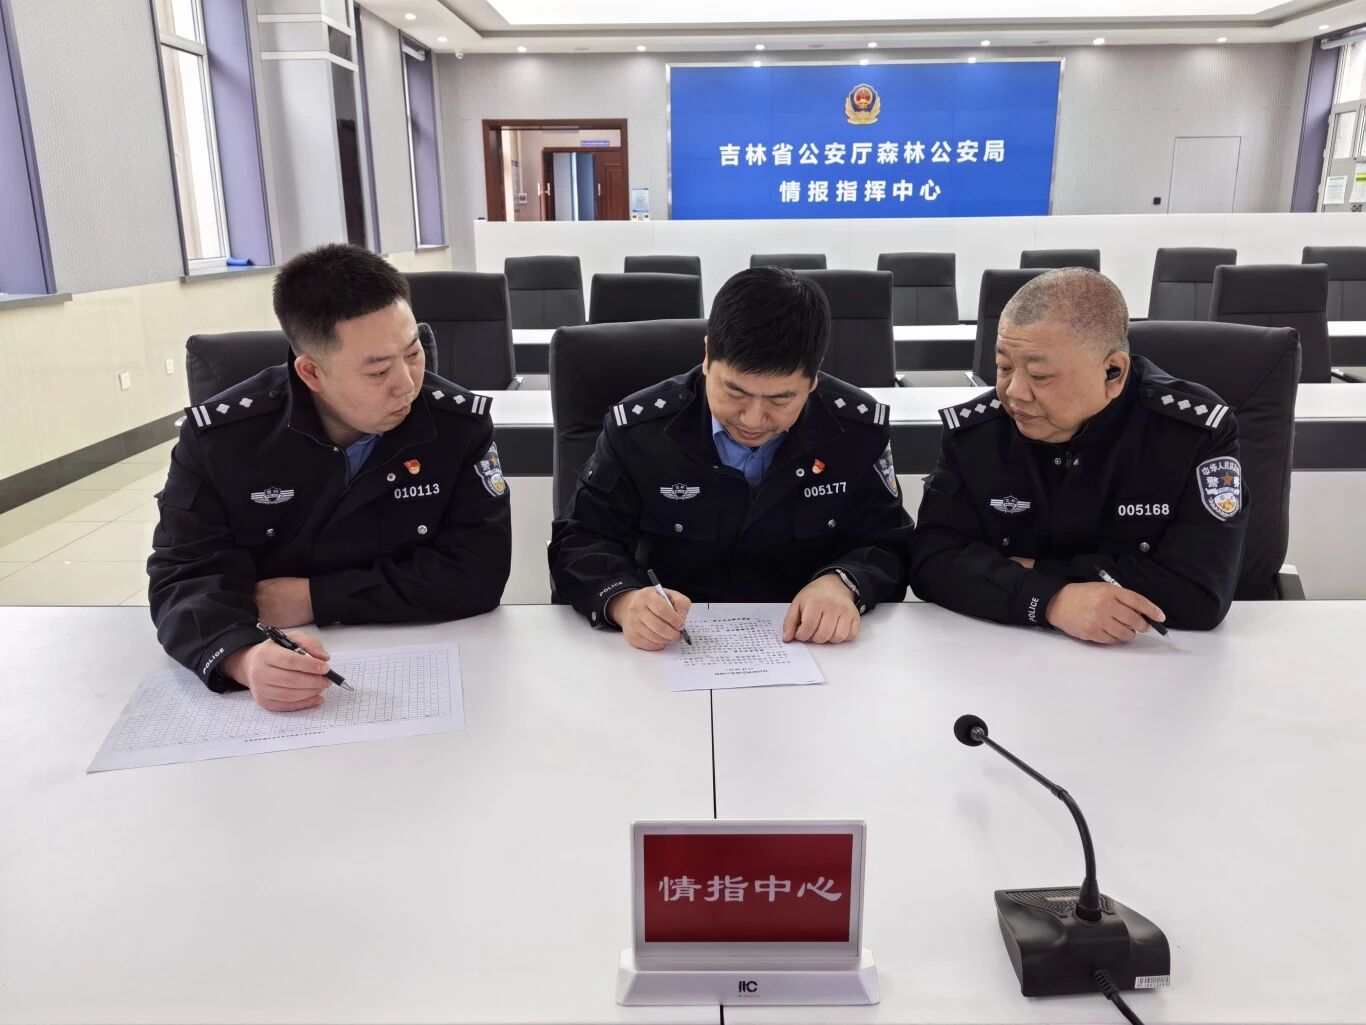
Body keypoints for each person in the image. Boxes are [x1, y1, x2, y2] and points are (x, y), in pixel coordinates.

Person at [148, 244, 511, 709]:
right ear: (311, 373)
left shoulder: (457, 425)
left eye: (413, 352)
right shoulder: (222, 439)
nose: (406, 384)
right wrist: (241, 657)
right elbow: (185, 574)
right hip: (279, 658)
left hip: (428, 656)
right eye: (378, 371)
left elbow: (478, 571)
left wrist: (315, 598)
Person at [548, 266, 913, 650]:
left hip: (809, 645)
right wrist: (624, 601)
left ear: (812, 381)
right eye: (735, 393)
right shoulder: (640, 431)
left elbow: (889, 542)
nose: (753, 420)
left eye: (780, 399)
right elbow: (581, 540)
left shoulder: (855, 430)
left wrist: (842, 583)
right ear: (708, 357)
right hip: (668, 649)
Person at [910, 267, 1248, 644]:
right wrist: (1051, 601)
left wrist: (1035, 570)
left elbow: (1199, 593)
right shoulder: (976, 434)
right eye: (1004, 367)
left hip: (1149, 659)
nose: (1014, 392)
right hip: (1003, 654)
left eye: (1040, 375)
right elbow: (931, 561)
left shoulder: (1192, 434)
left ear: (1113, 372)